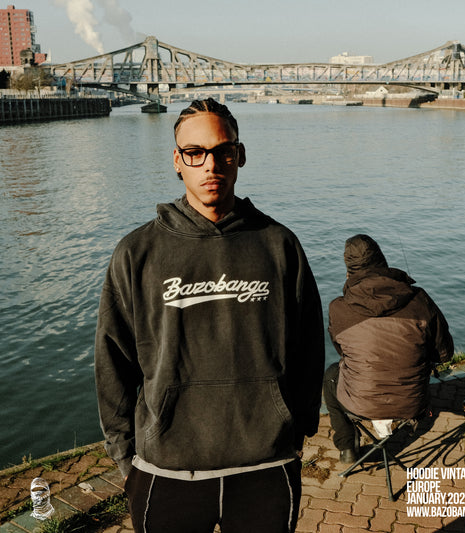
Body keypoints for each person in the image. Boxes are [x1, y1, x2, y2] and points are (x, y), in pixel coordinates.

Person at [94, 98, 325, 532]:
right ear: (177, 161)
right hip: (165, 471)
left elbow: (309, 347)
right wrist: (125, 456)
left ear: (240, 155)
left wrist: (297, 429)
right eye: (195, 153)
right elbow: (113, 362)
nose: (210, 165)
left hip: (266, 467)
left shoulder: (279, 245)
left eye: (223, 151)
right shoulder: (136, 253)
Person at [323, 234, 453, 463]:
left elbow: (344, 353)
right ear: (382, 262)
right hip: (413, 403)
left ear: (349, 272)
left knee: (331, 374)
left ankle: (347, 447)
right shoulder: (419, 299)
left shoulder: (338, 308)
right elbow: (444, 353)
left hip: (359, 404)